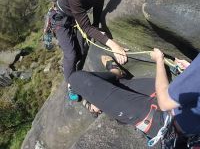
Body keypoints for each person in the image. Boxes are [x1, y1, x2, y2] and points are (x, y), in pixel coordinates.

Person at [68, 49, 200, 148]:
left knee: (76, 78)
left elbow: (165, 101)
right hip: (180, 117)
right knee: (123, 85)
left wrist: (159, 60)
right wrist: (191, 72)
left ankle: (114, 74)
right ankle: (116, 77)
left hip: (163, 119)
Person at [50, 0, 127, 100]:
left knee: (82, 49)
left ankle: (76, 71)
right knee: (71, 55)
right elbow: (85, 26)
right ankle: (70, 83)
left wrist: (97, 29)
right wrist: (112, 44)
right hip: (61, 19)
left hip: (76, 17)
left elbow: (97, 10)